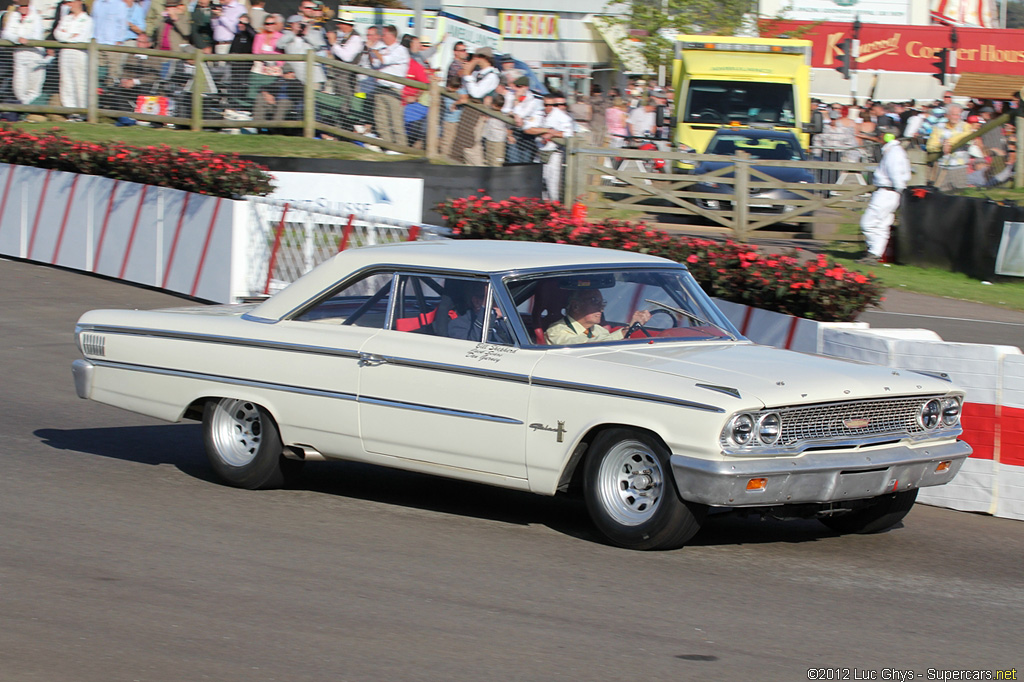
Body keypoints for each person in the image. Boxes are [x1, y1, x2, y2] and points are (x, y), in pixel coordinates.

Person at [859, 133, 910, 265]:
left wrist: (899, 190)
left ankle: (873, 251)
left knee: (867, 223)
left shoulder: (893, 153)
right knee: (882, 226)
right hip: (890, 192)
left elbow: (896, 174)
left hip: (886, 192)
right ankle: (874, 254)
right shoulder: (895, 151)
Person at [545, 290, 651, 345]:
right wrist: (625, 331)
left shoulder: (598, 330)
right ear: (575, 306)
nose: (601, 308)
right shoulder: (556, 330)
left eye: (602, 303)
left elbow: (609, 345)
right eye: (594, 302)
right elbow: (582, 345)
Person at [524, 92, 574, 202]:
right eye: (546, 105)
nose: (549, 108)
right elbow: (527, 128)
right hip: (540, 151)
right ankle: (543, 205)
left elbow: (569, 133)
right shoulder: (538, 113)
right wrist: (547, 130)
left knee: (553, 183)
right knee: (540, 181)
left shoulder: (561, 116)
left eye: (552, 105)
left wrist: (553, 134)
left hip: (554, 152)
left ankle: (554, 206)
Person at [367, 24, 409, 147]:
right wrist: (371, 51)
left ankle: (402, 149)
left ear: (391, 35)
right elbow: (375, 63)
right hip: (380, 88)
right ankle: (387, 146)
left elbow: (385, 60)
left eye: (384, 34)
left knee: (396, 122)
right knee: (381, 121)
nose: (381, 37)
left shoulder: (400, 50)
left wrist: (373, 50)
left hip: (393, 90)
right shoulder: (383, 49)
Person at [2, 0, 46, 105]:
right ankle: (23, 108)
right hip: (20, 54)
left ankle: (25, 110)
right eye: (20, 6)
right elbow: (6, 33)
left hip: (35, 54)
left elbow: (37, 36)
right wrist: (17, 38)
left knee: (34, 87)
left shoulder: (36, 17)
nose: (22, 8)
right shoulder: (14, 16)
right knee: (19, 87)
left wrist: (25, 38)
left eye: (24, 6)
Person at [53, 0, 93, 111]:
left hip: (79, 54)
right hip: (65, 53)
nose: (69, 5)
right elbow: (57, 33)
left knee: (80, 82)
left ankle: (82, 111)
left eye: (71, 2)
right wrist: (70, 36)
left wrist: (66, 35)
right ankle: (70, 111)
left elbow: (81, 38)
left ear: (79, 2)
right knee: (66, 82)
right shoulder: (66, 18)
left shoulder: (87, 20)